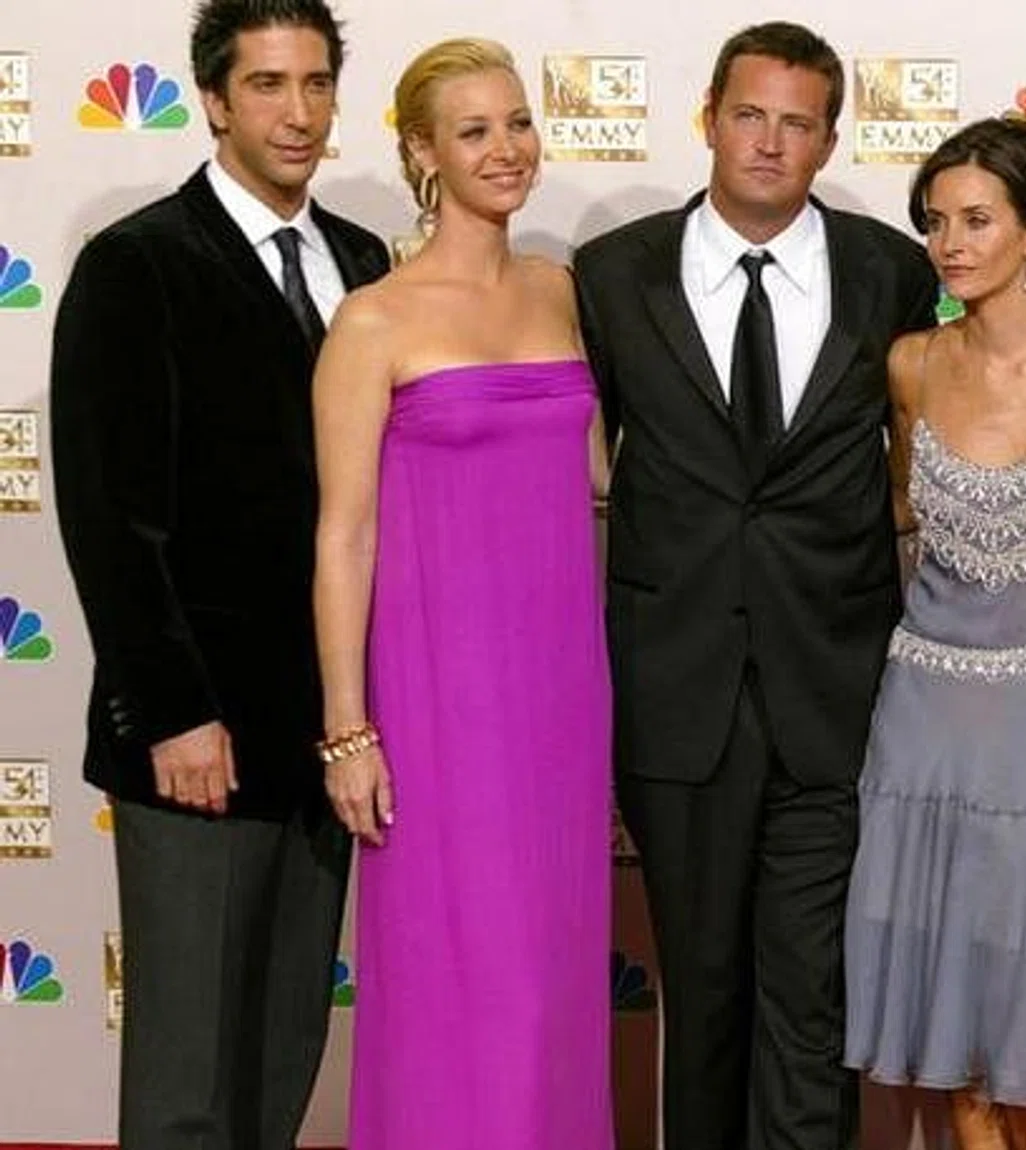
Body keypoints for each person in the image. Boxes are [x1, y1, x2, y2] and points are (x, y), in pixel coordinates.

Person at [572, 21, 940, 1150]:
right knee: (703, 997)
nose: (770, 143)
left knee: (812, 1000)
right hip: (677, 691)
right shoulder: (612, 274)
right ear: (708, 121)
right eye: (749, 116)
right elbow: (583, 470)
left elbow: (930, 454)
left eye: (797, 123)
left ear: (829, 140)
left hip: (836, 692)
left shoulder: (893, 272)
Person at [47, 2, 387, 1145]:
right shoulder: (137, 263)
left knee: (282, 1049)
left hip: (326, 736)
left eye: (316, 84)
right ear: (213, 100)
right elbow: (110, 518)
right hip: (198, 740)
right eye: (267, 86)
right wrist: (173, 712)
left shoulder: (364, 262)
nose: (298, 114)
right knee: (187, 1075)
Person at [310, 37, 610, 1149]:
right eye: (474, 130)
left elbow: (596, 479)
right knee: (464, 980)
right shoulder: (373, 320)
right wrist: (349, 731)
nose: (506, 148)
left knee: (552, 981)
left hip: (562, 689)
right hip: (441, 699)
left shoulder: (558, 290)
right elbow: (343, 537)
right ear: (422, 154)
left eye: (518, 122)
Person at [842, 115, 1026, 1150]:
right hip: (927, 724)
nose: (950, 243)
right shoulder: (911, 365)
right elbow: (893, 510)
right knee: (956, 1033)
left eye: (977, 220)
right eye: (935, 223)